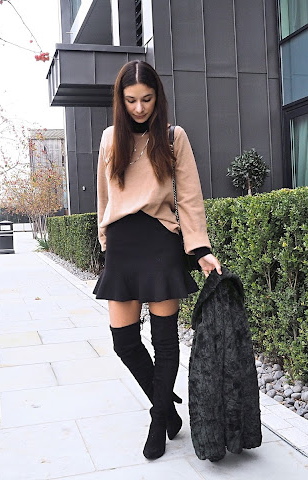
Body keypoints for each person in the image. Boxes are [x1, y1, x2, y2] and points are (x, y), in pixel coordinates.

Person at [93, 60, 221, 460]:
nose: (139, 107)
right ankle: (165, 405)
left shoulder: (172, 137)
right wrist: (105, 239)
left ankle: (157, 421)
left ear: (157, 98)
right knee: (124, 342)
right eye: (131, 100)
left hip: (160, 243)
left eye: (146, 99)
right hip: (122, 245)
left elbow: (190, 197)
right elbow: (103, 195)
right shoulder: (110, 139)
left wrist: (200, 248)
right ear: (120, 100)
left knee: (164, 341)